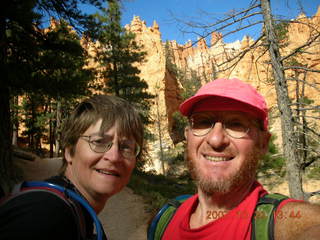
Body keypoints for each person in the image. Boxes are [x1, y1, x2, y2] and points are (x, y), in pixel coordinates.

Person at [151, 78, 320, 240]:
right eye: (203, 122)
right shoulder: (164, 220)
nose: (216, 140)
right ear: (187, 136)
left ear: (263, 143)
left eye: (236, 124)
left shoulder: (282, 222)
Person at [0, 95, 144, 240]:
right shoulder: (44, 213)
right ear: (69, 151)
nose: (114, 157)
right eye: (99, 141)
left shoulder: (75, 213)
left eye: (126, 147)